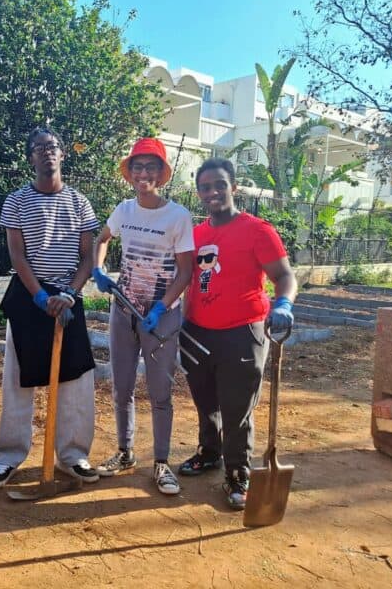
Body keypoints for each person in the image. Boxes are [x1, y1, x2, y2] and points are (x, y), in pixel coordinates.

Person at [178, 157, 297, 510]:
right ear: (199, 193)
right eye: (205, 187)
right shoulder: (196, 234)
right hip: (196, 332)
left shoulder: (257, 230)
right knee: (205, 402)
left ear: (234, 187)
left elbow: (285, 276)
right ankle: (209, 453)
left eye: (219, 185)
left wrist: (283, 304)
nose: (212, 192)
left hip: (242, 332)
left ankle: (237, 471)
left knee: (237, 408)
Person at [0, 127, 100, 488]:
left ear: (63, 154)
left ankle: (73, 455)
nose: (47, 152)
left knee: (77, 382)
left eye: (52, 146)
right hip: (28, 297)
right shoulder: (16, 201)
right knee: (18, 381)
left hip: (68, 298)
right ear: (30, 158)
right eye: (38, 148)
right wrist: (38, 295)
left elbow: (88, 257)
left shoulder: (80, 202)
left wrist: (69, 293)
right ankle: (8, 456)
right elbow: (17, 256)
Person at [91, 138, 194, 495]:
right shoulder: (124, 210)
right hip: (123, 310)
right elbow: (101, 238)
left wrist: (162, 307)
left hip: (160, 317)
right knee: (121, 387)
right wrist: (99, 268)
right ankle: (125, 452)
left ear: (162, 174)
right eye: (137, 167)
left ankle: (162, 463)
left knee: (160, 391)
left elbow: (185, 272)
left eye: (151, 167)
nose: (143, 173)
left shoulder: (178, 216)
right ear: (130, 173)